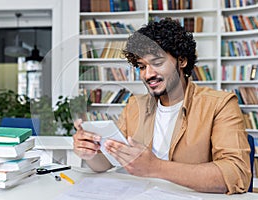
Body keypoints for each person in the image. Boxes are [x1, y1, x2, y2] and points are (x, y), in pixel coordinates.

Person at [73, 17, 251, 195]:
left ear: (182, 61)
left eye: (157, 63)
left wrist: (155, 167)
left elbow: (237, 174)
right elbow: (108, 163)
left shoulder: (220, 105)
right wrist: (91, 152)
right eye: (142, 66)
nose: (148, 74)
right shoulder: (135, 105)